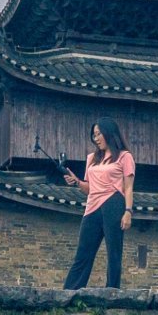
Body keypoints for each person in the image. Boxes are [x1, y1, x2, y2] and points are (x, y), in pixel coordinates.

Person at [62, 118, 135, 290]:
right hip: (92, 206)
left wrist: (128, 211)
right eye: (94, 135)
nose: (96, 139)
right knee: (83, 253)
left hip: (113, 203)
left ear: (109, 133)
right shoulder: (92, 158)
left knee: (113, 252)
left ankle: (112, 292)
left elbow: (128, 187)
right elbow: (89, 188)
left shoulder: (125, 157)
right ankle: (68, 293)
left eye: (98, 134)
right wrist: (77, 181)